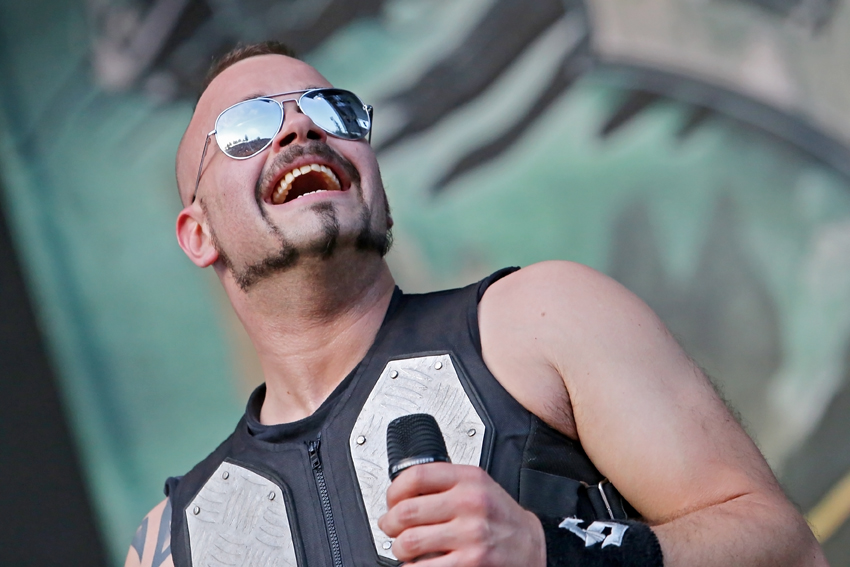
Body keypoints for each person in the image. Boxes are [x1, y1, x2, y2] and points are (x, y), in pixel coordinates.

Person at [125, 42, 826, 567]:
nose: (300, 130)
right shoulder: (172, 543)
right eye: (247, 127)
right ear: (197, 234)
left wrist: (551, 550)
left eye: (331, 110)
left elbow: (790, 551)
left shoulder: (544, 318)